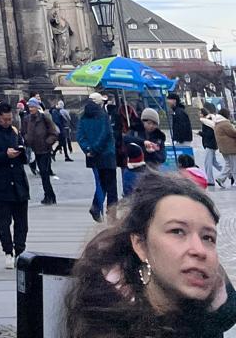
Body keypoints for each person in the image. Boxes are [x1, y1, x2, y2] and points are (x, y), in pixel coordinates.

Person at [63, 170, 236, 338]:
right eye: (177, 231)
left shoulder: (211, 315)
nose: (199, 250)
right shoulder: (105, 320)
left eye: (208, 237)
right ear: (140, 245)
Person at [0, 101, 30, 268]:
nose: (8, 122)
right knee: (4, 222)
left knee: (22, 222)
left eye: (10, 119)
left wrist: (21, 152)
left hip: (19, 183)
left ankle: (20, 251)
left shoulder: (15, 131)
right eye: (5, 119)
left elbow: (24, 157)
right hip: (1, 185)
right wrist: (5, 155)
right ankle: (8, 251)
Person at [78, 94, 119, 222]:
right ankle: (110, 213)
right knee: (111, 185)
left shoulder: (83, 116)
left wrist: (88, 149)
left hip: (92, 156)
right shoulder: (103, 115)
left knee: (102, 183)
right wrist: (95, 148)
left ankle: (96, 206)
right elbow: (105, 134)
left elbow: (80, 136)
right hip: (106, 154)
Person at [24, 96, 59, 205]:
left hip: (44, 150)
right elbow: (24, 132)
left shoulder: (44, 117)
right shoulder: (27, 119)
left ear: (37, 107)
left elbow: (54, 133)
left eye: (33, 107)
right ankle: (50, 195)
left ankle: (49, 196)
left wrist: (48, 142)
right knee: (43, 174)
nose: (31, 109)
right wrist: (27, 139)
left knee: (44, 173)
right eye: (30, 107)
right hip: (34, 149)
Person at [136, 109, 167, 176]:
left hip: (153, 170)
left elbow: (162, 158)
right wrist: (145, 150)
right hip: (136, 170)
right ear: (142, 122)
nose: (151, 126)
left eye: (154, 124)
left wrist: (153, 153)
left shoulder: (159, 138)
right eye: (149, 123)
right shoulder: (135, 133)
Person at [214, 113, 236, 187]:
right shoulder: (225, 123)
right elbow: (233, 133)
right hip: (230, 148)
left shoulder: (217, 123)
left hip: (224, 148)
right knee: (234, 165)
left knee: (229, 164)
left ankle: (220, 179)